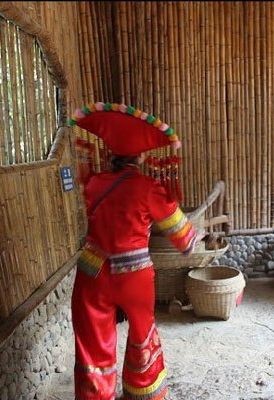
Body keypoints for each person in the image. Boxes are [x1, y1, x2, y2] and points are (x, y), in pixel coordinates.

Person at [68, 103, 203, 400]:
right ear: (141, 156)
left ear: (109, 153)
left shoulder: (92, 182)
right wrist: (194, 235)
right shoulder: (148, 187)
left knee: (92, 349)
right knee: (142, 339)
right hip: (134, 278)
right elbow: (183, 238)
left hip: (92, 274)